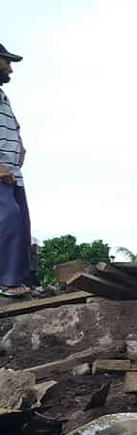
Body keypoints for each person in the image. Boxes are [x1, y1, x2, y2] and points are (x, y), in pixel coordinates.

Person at [0, 43, 31, 297]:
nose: (10, 68)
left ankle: (19, 281)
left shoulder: (3, 97)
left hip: (12, 174)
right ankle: (7, 282)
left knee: (21, 222)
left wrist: (20, 146)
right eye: (6, 62)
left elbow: (13, 128)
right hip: (1, 172)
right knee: (7, 218)